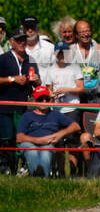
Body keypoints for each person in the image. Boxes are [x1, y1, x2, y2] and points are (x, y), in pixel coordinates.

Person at [0, 28, 41, 174]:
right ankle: (5, 167)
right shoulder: (3, 59)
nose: (22, 43)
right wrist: (12, 79)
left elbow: (38, 83)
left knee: (23, 138)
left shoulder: (31, 59)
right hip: (5, 106)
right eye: (18, 40)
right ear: (11, 42)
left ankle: (23, 167)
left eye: (24, 39)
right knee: (6, 138)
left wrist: (36, 80)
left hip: (24, 107)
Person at [16, 86, 81, 177]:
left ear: (50, 100)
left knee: (46, 152)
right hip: (30, 143)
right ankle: (38, 175)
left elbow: (76, 126)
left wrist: (59, 134)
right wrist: (40, 140)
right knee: (32, 151)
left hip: (49, 144)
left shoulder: (56, 114)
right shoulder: (27, 116)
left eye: (47, 99)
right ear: (34, 101)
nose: (44, 102)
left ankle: (41, 176)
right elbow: (19, 137)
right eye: (40, 99)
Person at [45, 41, 84, 126]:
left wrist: (67, 90)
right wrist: (52, 95)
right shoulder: (50, 70)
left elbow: (81, 89)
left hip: (72, 109)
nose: (62, 55)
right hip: (56, 110)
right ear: (55, 54)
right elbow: (49, 90)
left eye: (64, 52)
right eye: (59, 53)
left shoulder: (75, 67)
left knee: (72, 133)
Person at [71, 20, 100, 105]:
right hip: (77, 100)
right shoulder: (70, 51)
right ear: (76, 35)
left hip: (97, 99)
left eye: (87, 31)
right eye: (82, 32)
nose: (85, 34)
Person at [23, 15, 54, 80]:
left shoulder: (50, 48)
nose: (30, 30)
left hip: (45, 86)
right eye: (27, 27)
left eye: (32, 27)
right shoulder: (17, 48)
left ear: (38, 28)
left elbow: (57, 70)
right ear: (22, 29)